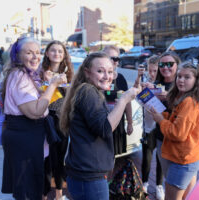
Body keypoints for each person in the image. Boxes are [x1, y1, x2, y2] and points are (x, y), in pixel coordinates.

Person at [59, 52, 140, 200]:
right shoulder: (88, 91)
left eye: (110, 72)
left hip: (85, 173)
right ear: (87, 73)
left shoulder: (89, 90)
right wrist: (123, 100)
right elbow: (105, 128)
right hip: (89, 176)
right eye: (100, 71)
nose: (106, 76)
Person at [1, 37, 67, 199]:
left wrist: (44, 83)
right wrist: (52, 85)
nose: (35, 57)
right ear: (18, 56)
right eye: (29, 53)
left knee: (31, 187)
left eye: (37, 52)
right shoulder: (20, 76)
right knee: (28, 190)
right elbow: (35, 111)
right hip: (25, 138)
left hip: (28, 137)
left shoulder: (25, 74)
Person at [150, 59, 199, 200]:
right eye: (179, 76)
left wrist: (160, 120)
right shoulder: (186, 97)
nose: (181, 80)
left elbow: (177, 134)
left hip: (183, 160)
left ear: (197, 80)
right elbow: (177, 120)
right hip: (189, 156)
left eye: (187, 77)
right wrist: (163, 115)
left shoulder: (189, 102)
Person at [41, 40, 73, 200]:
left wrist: (65, 85)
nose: (57, 54)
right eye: (53, 51)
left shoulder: (67, 74)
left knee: (60, 159)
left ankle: (59, 195)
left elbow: (70, 101)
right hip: (45, 120)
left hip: (62, 121)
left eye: (60, 51)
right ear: (47, 53)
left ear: (64, 55)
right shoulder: (39, 73)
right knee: (46, 159)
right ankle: (44, 194)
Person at [134, 55, 165, 200]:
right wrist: (139, 79)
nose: (152, 74)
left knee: (160, 157)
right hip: (148, 126)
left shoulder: (163, 83)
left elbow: (166, 94)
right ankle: (145, 183)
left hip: (162, 126)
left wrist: (156, 88)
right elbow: (135, 92)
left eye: (155, 71)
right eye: (150, 71)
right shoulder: (145, 82)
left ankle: (159, 185)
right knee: (147, 157)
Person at [102, 45, 133, 155]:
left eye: (116, 59)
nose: (114, 61)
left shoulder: (120, 78)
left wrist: (130, 122)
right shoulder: (97, 78)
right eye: (111, 58)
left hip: (117, 123)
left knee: (114, 157)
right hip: (101, 123)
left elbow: (127, 101)